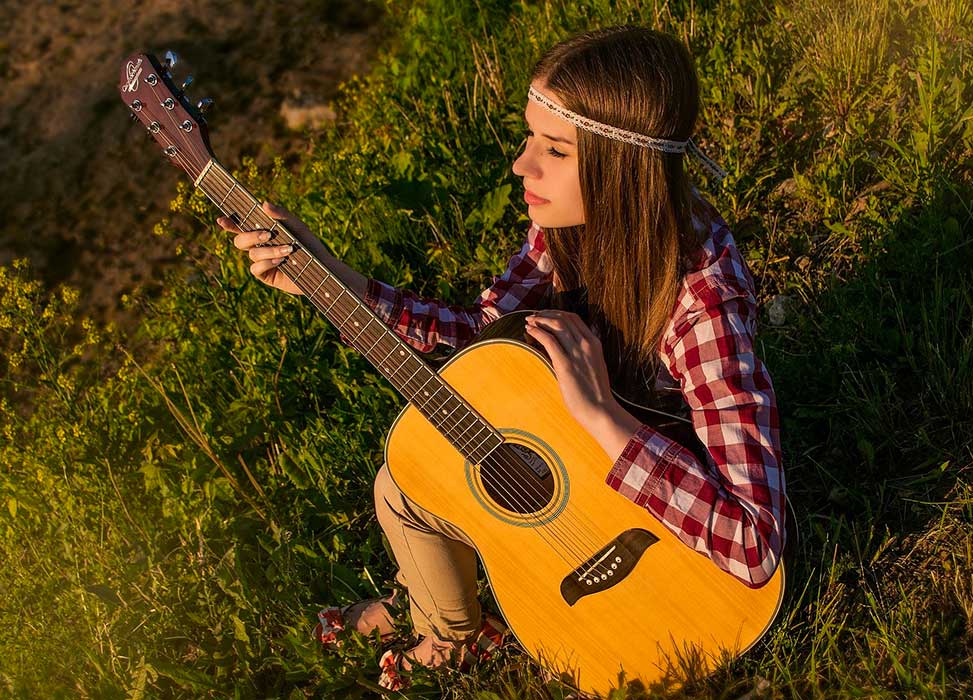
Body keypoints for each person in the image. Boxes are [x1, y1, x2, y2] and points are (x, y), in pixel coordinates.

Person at [217, 25, 786, 692]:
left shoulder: (702, 304)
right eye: (528, 138)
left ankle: (434, 619)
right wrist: (337, 281)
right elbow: (479, 334)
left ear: (618, 167)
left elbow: (755, 543)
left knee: (398, 490)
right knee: (404, 477)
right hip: (583, 462)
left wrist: (601, 416)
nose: (521, 165)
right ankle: (453, 629)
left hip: (653, 529)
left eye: (554, 149)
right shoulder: (566, 225)